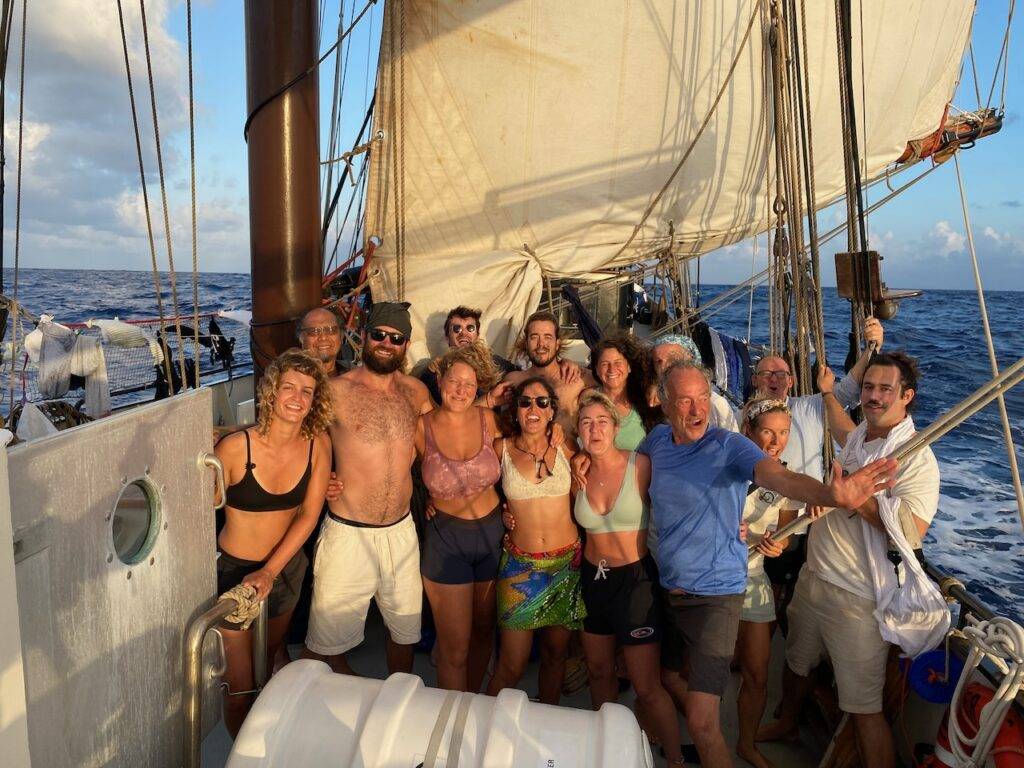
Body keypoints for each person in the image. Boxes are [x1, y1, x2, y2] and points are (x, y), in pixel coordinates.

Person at [640, 359, 896, 768]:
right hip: (668, 588)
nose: (696, 410)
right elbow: (630, 473)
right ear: (663, 403)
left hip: (717, 595)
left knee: (704, 723)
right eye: (685, 400)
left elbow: (780, 478)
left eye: (703, 398)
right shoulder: (655, 441)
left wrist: (835, 496)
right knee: (669, 677)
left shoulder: (729, 446)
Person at [758, 352, 940, 768]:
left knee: (863, 707)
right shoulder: (862, 435)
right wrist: (827, 393)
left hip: (858, 600)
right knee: (796, 665)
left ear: (906, 396)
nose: (873, 396)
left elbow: (912, 534)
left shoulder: (915, 459)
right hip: (815, 577)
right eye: (869, 387)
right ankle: (787, 722)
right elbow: (842, 430)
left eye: (884, 390)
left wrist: (854, 501)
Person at [304, 301, 433, 676]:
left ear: (406, 345)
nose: (386, 343)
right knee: (328, 639)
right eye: (379, 335)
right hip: (347, 531)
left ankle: (397, 696)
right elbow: (302, 442)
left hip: (402, 533)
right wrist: (319, 478)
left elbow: (439, 448)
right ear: (363, 337)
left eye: (396, 338)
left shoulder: (416, 393)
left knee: (404, 633)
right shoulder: (334, 391)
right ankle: (341, 700)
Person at [214, 348, 332, 736]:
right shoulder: (235, 448)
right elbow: (201, 506)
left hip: (283, 571)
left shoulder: (318, 445)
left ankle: (266, 744)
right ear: (271, 392)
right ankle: (242, 754)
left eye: (308, 391)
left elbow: (309, 514)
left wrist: (270, 570)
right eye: (289, 388)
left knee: (266, 664)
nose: (298, 399)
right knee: (239, 689)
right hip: (235, 574)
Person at [573, 391, 682, 767]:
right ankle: (608, 751)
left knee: (647, 686)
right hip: (592, 581)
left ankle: (675, 760)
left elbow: (682, 500)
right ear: (578, 432)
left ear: (616, 427)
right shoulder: (578, 472)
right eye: (586, 422)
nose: (594, 428)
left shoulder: (642, 466)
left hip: (635, 583)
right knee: (599, 671)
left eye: (602, 421)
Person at [486, 377, 585, 704]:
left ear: (552, 410)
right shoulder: (501, 448)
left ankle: (548, 717)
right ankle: (479, 724)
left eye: (542, 402)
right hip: (519, 567)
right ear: (514, 410)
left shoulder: (567, 445)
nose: (533, 409)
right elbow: (476, 492)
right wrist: (500, 516)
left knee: (556, 655)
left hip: (565, 566)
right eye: (525, 402)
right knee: (511, 665)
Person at [415, 343, 505, 692]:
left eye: (470, 384)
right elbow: (390, 467)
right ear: (440, 380)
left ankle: (474, 703)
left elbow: (530, 444)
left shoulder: (490, 420)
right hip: (446, 540)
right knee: (454, 647)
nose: (462, 391)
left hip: (492, 534)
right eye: (455, 382)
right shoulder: (421, 428)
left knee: (484, 631)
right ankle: (453, 716)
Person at [734, 398, 805, 768]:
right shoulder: (726, 469)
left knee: (758, 672)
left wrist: (779, 542)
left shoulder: (787, 480)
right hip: (714, 581)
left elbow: (788, 533)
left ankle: (746, 743)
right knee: (697, 669)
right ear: (749, 431)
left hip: (755, 578)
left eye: (783, 433)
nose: (776, 440)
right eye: (767, 431)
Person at [504, 310, 595, 438]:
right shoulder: (514, 380)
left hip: (566, 452)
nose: (541, 344)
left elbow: (613, 380)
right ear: (526, 343)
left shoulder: (577, 377)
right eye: (534, 337)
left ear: (557, 344)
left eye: (548, 337)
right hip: (526, 453)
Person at [419, 306, 517, 404]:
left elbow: (521, 377)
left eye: (470, 328)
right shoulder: (436, 370)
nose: (463, 334)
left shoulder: (495, 363)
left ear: (477, 335)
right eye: (457, 329)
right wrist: (430, 374)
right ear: (447, 337)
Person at [647, 334, 739, 431]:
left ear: (690, 358)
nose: (663, 367)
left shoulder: (716, 404)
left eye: (672, 359)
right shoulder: (652, 400)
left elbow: (735, 443)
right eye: (658, 361)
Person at [588, 333, 657, 450]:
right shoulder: (587, 402)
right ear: (597, 370)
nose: (612, 369)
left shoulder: (646, 402)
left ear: (629, 367)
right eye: (605, 364)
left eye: (618, 362)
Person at [298, 306, 344, 377]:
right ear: (301, 338)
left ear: (341, 336)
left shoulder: (356, 376)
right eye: (314, 331)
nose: (323, 337)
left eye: (331, 330)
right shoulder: (290, 379)